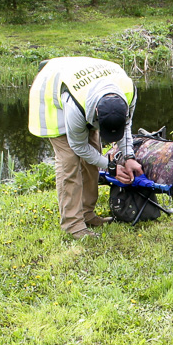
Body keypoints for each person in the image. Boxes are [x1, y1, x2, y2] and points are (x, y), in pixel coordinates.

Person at [28, 56, 143, 240]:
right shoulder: (76, 106)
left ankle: (87, 214)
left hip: (85, 94)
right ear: (96, 113)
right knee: (70, 163)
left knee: (93, 155)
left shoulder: (128, 92)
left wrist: (128, 157)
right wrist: (111, 166)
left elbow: (126, 127)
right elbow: (78, 146)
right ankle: (73, 225)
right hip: (53, 97)